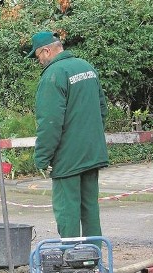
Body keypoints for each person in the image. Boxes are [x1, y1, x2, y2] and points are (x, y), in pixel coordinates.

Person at [28, 31, 108, 244]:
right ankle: (94, 259)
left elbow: (50, 122)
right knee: (90, 207)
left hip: (68, 158)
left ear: (46, 51)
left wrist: (42, 158)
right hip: (92, 152)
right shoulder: (86, 67)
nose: (39, 62)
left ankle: (73, 260)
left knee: (67, 211)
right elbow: (102, 110)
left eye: (38, 57)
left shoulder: (53, 74)